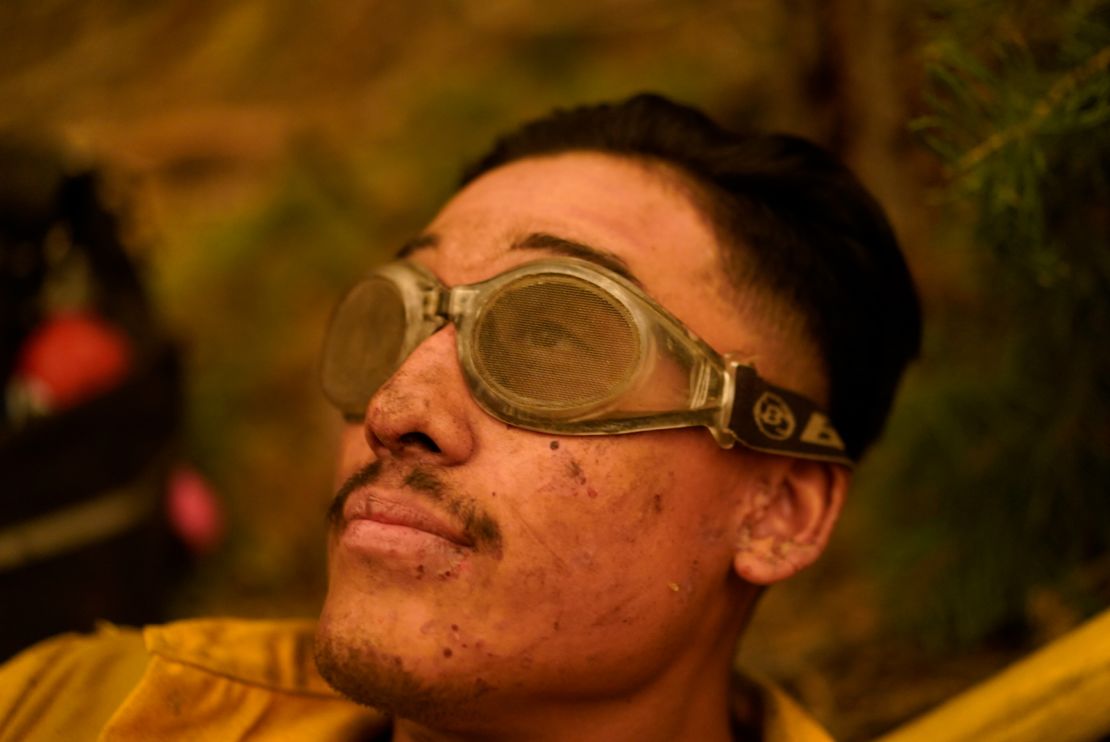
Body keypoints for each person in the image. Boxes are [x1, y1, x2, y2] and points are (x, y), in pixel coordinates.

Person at [0, 93, 920, 741]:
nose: (397, 409)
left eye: (553, 340)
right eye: (396, 318)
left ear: (777, 511)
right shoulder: (73, 709)